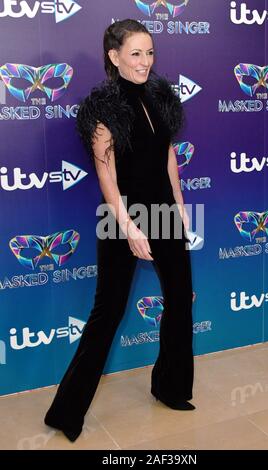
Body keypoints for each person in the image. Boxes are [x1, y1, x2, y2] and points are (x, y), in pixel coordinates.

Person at [44, 19, 195, 443]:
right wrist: (130, 227)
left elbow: (167, 155)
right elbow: (107, 179)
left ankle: (171, 386)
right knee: (107, 313)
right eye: (135, 53)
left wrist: (180, 207)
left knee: (181, 299)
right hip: (120, 217)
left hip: (165, 211)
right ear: (114, 57)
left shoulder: (161, 95)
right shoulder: (101, 110)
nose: (145, 62)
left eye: (150, 53)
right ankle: (66, 413)